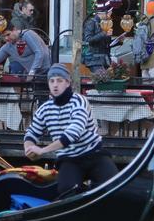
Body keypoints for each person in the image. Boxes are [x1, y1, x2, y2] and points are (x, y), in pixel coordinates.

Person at [23, 64, 118, 196]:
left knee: (114, 186)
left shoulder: (79, 102)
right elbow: (31, 133)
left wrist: (42, 150)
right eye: (52, 81)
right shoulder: (45, 108)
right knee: (66, 191)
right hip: (69, 159)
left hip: (93, 153)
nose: (55, 85)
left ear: (67, 83)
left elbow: (72, 134)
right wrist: (29, 148)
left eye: (59, 80)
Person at [82, 4, 114, 73]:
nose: (110, 15)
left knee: (104, 81)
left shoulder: (104, 23)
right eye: (109, 13)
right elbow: (88, 40)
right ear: (102, 13)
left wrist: (118, 41)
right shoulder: (91, 23)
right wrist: (104, 33)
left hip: (103, 59)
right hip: (94, 60)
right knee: (101, 81)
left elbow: (105, 44)